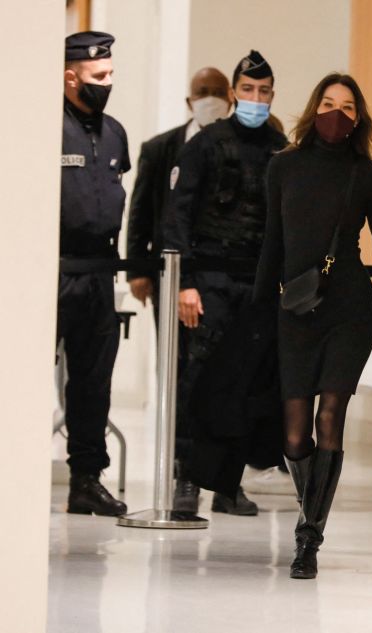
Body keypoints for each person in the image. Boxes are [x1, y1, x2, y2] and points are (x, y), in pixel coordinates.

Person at [253, 73, 372, 579]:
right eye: (329, 103)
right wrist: (259, 311)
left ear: (358, 118)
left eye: (348, 106)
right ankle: (310, 510)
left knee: (330, 417)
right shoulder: (283, 167)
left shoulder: (368, 175)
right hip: (295, 310)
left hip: (349, 308)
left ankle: (309, 535)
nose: (337, 113)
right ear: (314, 108)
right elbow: (273, 243)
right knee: (294, 436)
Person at [164, 50, 287, 516]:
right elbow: (178, 217)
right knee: (200, 383)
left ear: (272, 95)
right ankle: (187, 482)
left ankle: (227, 484)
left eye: (264, 91)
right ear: (235, 93)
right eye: (248, 90)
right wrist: (185, 284)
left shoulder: (280, 147)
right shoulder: (205, 144)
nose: (256, 98)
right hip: (210, 282)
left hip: (257, 287)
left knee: (247, 387)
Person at [59, 31, 130, 517]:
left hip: (100, 271)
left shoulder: (114, 133)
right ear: (70, 77)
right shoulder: (46, 126)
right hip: (53, 267)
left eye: (110, 74)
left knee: (92, 381)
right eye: (98, 76)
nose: (108, 82)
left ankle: (86, 478)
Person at [126, 67, 232, 313]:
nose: (211, 99)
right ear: (189, 101)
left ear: (230, 100)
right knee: (172, 346)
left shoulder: (240, 147)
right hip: (170, 267)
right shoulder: (159, 149)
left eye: (218, 93)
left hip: (222, 270)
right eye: (203, 93)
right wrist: (137, 270)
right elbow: (140, 211)